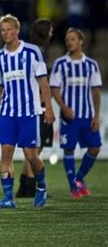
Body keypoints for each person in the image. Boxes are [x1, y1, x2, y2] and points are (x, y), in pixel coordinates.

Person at [0, 14, 55, 209]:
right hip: (8, 113)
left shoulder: (33, 52)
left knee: (31, 155)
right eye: (3, 30)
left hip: (29, 112)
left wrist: (48, 108)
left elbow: (43, 81)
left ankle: (41, 187)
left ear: (17, 30)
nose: (6, 33)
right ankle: (8, 197)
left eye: (10, 29)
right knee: (6, 153)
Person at [50, 28, 102, 198]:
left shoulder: (91, 65)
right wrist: (63, 108)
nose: (69, 42)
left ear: (81, 41)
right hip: (69, 117)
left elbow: (95, 91)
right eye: (66, 40)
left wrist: (96, 115)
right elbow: (55, 89)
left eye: (72, 39)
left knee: (95, 147)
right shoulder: (60, 64)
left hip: (87, 115)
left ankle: (78, 179)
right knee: (69, 150)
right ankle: (73, 187)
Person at [16, 19, 54, 198]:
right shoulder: (39, 52)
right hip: (36, 106)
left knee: (30, 151)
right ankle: (32, 188)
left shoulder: (27, 51)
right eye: (51, 31)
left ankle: (24, 187)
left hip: (28, 106)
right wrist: (46, 105)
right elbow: (41, 83)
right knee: (35, 150)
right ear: (46, 33)